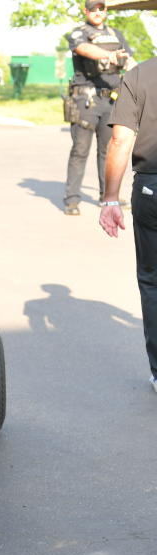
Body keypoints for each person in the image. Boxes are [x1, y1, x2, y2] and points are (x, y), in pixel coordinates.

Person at [99, 55, 157, 394]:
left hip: (151, 186)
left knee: (152, 281)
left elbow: (121, 140)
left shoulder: (138, 76)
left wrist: (110, 198)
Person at [64, 0, 135, 216]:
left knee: (109, 150)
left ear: (106, 11)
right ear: (86, 11)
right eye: (93, 8)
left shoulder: (116, 34)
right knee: (80, 151)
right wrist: (109, 55)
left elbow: (130, 61)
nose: (97, 12)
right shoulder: (79, 33)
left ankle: (108, 198)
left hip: (111, 100)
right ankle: (72, 200)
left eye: (101, 8)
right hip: (85, 100)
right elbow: (85, 49)